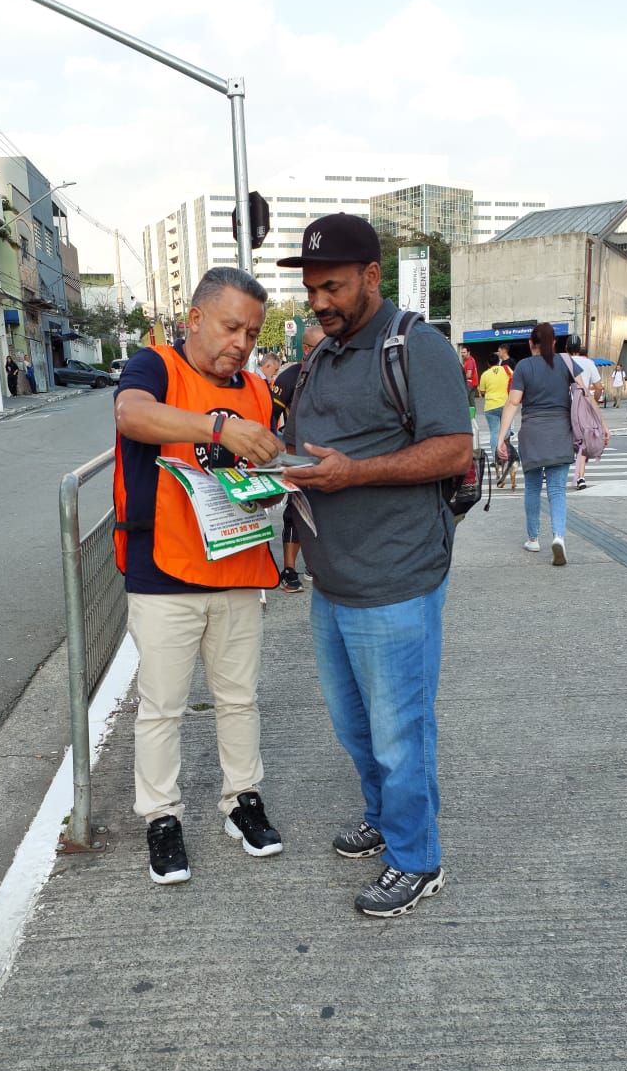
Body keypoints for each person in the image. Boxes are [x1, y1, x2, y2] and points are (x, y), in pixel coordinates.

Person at [280, 214, 472, 919]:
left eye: (331, 287)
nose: (319, 303)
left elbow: (453, 450)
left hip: (395, 577)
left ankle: (417, 859)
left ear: (370, 276)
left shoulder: (416, 346)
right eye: (311, 290)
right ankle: (383, 817)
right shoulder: (323, 355)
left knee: (399, 731)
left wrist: (352, 473)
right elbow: (305, 444)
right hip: (332, 579)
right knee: (355, 727)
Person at [113, 266, 285, 886]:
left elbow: (261, 473)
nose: (242, 343)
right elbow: (133, 416)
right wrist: (217, 426)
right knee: (163, 705)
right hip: (164, 568)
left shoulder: (258, 390)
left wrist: (270, 485)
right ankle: (161, 816)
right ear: (195, 319)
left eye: (253, 333)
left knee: (239, 698)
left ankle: (243, 800)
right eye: (231, 327)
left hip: (237, 565)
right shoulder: (156, 367)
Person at [495, 322, 575, 566]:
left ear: (531, 343)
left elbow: (513, 402)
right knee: (557, 489)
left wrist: (501, 437)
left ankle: (533, 539)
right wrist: (601, 425)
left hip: (532, 433)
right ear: (554, 343)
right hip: (561, 432)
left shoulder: (524, 366)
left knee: (532, 488)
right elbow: (587, 393)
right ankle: (558, 536)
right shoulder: (567, 363)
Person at [269, 322, 326, 591]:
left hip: (329, 455)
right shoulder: (290, 377)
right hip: (296, 453)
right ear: (305, 348)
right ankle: (289, 570)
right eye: (321, 346)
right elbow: (268, 416)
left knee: (326, 511)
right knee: (295, 511)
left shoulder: (335, 372)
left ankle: (316, 564)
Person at [568, 345, 608, 490]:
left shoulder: (564, 361)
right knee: (582, 440)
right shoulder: (589, 363)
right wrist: (594, 400)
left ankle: (547, 470)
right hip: (582, 406)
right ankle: (581, 477)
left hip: (564, 404)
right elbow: (599, 388)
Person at [477, 352, 511, 468]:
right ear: (498, 361)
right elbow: (515, 379)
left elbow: (482, 391)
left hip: (490, 407)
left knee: (494, 432)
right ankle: (506, 455)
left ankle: (496, 459)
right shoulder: (506, 369)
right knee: (506, 431)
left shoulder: (485, 375)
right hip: (506, 405)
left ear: (488, 363)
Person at [459, 344, 479, 418]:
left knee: (463, 400)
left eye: (464, 352)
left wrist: (460, 377)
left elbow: (469, 375)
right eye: (462, 352)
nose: (462, 354)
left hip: (469, 384)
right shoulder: (470, 360)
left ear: (468, 352)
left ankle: (465, 416)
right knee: (471, 401)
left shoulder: (469, 361)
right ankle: (472, 417)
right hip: (473, 383)